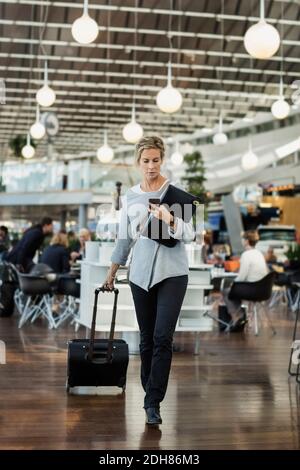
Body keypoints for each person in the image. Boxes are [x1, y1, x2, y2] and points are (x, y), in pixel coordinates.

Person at [102, 136, 195, 425]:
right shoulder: (130, 197)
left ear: (162, 159)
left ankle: (153, 401)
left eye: (156, 160)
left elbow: (193, 234)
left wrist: (170, 219)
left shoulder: (178, 193)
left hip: (173, 273)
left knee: (162, 337)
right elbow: (124, 239)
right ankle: (148, 390)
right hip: (139, 274)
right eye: (146, 161)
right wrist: (112, 271)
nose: (151, 166)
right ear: (138, 162)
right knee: (145, 340)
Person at [222, 230, 268, 332]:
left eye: (243, 239)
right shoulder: (259, 254)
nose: (242, 241)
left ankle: (237, 317)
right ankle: (241, 318)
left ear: (246, 241)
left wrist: (232, 284)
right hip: (263, 291)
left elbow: (242, 277)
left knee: (227, 291)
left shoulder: (246, 254)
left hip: (251, 290)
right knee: (234, 291)